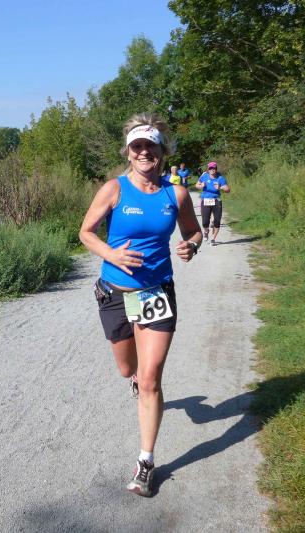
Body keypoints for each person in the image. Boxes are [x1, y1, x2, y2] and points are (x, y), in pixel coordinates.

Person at [79, 113, 202, 497]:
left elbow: (194, 231)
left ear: (162, 151)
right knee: (127, 369)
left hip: (155, 293)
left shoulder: (175, 194)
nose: (144, 152)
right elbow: (85, 233)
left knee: (151, 380)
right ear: (128, 152)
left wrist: (191, 245)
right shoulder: (113, 189)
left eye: (151, 146)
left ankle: (145, 462)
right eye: (137, 146)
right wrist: (112, 255)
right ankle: (134, 377)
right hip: (115, 293)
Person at [195, 161, 231, 245]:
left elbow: (228, 190)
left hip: (216, 200)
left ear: (216, 169)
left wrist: (220, 187)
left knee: (217, 221)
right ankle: (206, 231)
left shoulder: (220, 178)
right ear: (208, 169)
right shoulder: (204, 176)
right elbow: (197, 185)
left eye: (214, 168)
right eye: (210, 168)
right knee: (205, 221)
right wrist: (201, 186)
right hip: (206, 200)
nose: (212, 170)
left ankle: (213, 239)